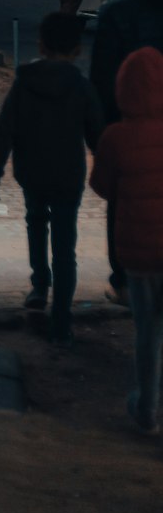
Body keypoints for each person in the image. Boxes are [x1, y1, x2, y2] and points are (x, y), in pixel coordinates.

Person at [0, 10, 103, 345]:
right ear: (77, 49)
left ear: (41, 44)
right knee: (66, 246)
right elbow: (98, 135)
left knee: (36, 222)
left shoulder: (25, 82)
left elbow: (4, 131)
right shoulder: (80, 86)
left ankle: (39, 286)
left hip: (32, 171)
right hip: (68, 175)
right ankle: (62, 320)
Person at [89, 47, 163, 435]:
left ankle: (148, 408)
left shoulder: (116, 136)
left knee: (148, 332)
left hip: (137, 250)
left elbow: (101, 187)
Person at [89, 0, 163, 305]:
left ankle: (124, 278)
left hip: (127, 126)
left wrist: (101, 136)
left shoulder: (115, 13)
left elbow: (101, 79)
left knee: (126, 202)